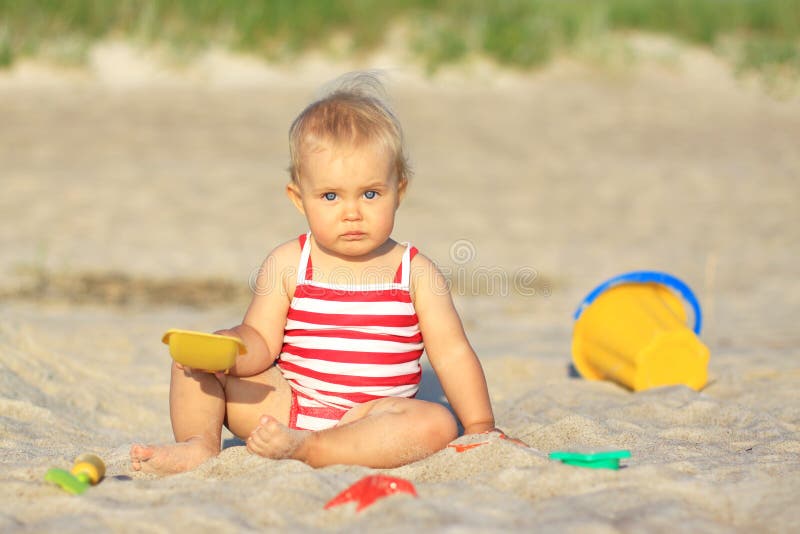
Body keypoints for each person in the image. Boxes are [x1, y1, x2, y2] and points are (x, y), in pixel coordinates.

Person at [130, 72, 512, 475]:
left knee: (436, 423)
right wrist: (230, 349)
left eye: (370, 194)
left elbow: (451, 353)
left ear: (399, 190)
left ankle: (313, 448)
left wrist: (480, 426)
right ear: (299, 199)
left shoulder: (415, 272)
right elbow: (261, 339)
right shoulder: (288, 262)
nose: (351, 212)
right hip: (289, 404)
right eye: (330, 196)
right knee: (192, 363)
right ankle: (199, 445)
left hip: (369, 420)